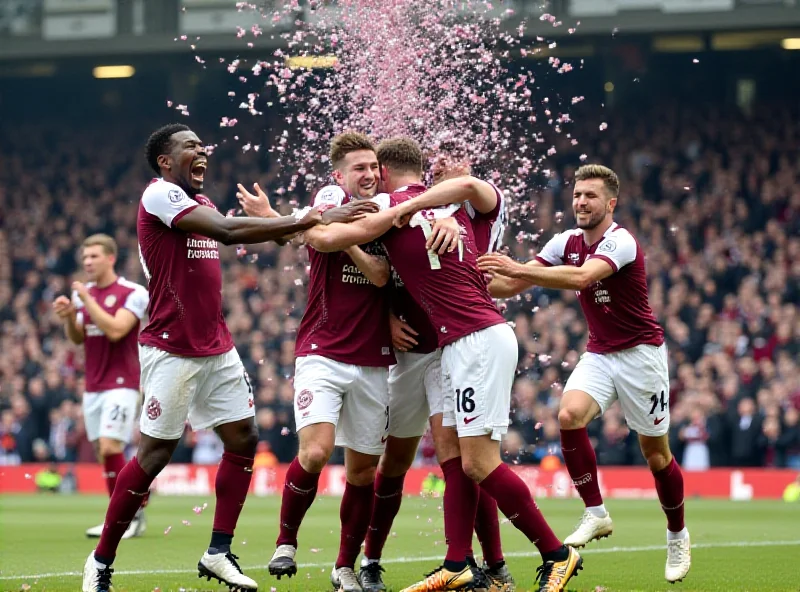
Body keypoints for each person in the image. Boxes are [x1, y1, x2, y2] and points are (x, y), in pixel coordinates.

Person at [81, 123, 374, 592]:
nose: (202, 151)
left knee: (243, 440)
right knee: (154, 455)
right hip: (170, 347)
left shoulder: (204, 203)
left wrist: (297, 222)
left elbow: (257, 233)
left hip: (215, 346)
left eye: (202, 145)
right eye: (190, 146)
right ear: (164, 160)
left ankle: (218, 551)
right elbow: (227, 231)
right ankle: (100, 561)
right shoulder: (158, 196)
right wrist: (309, 216)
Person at [304, 137, 582, 592]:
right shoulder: (446, 213)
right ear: (426, 173)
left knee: (477, 461)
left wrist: (289, 222)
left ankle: (551, 554)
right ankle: (458, 564)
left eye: (377, 171)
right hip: (453, 345)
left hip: (471, 341)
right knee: (462, 460)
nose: (371, 179)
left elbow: (327, 237)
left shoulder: (426, 207)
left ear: (387, 175)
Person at [237, 132, 455, 592]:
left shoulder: (387, 210)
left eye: (375, 168)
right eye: (360, 168)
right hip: (323, 349)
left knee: (361, 472)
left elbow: (377, 273)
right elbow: (316, 233)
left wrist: (338, 238)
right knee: (315, 452)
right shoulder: (333, 196)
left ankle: (344, 566)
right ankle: (285, 542)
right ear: (339, 175)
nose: (370, 175)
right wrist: (313, 230)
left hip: (374, 359)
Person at [476, 164, 691, 584]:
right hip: (600, 352)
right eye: (577, 195)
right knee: (569, 415)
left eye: (590, 196)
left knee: (656, 454)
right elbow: (510, 286)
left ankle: (677, 535)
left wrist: (516, 268)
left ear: (611, 203)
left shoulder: (621, 241)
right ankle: (596, 512)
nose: (580, 202)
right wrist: (468, 285)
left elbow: (579, 277)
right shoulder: (566, 241)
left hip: (641, 355)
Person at [358, 156, 514, 592]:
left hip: (458, 346)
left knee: (466, 461)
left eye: (458, 160)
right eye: (440, 161)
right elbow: (377, 275)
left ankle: (488, 566)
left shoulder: (473, 209)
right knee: (395, 461)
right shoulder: (399, 208)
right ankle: (370, 559)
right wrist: (386, 316)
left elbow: (488, 270)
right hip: (412, 350)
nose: (450, 166)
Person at [53, 234, 150, 539]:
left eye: (93, 256)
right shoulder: (85, 296)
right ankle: (135, 501)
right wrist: (70, 317)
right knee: (103, 451)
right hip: (93, 384)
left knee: (111, 445)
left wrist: (87, 299)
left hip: (123, 382)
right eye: (84, 258)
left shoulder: (132, 293)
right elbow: (79, 337)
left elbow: (116, 330)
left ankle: (124, 519)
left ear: (111, 258)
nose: (87, 263)